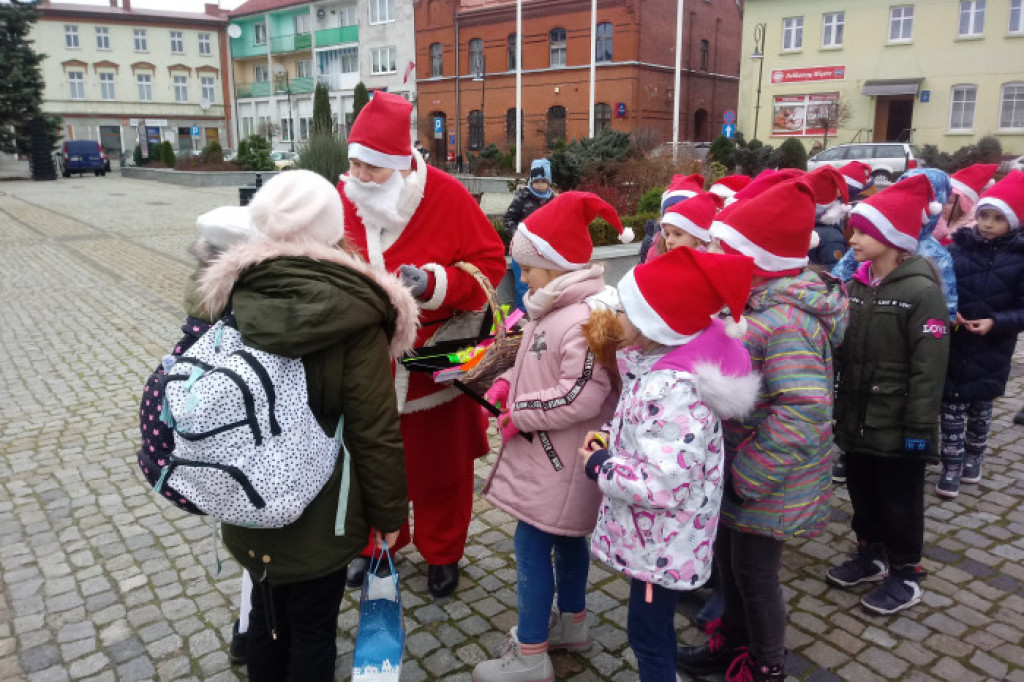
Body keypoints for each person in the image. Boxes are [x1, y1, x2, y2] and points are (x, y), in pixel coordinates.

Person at [198, 169, 416, 681]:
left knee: (264, 618)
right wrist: (389, 514)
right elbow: (373, 429)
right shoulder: (356, 312)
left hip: (249, 501)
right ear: (333, 231)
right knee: (313, 631)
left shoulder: (237, 295)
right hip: (325, 514)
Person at [335, 92, 508, 599]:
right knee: (367, 463)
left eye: (370, 167)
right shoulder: (343, 196)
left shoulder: (446, 195)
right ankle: (374, 545)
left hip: (434, 363)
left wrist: (435, 284)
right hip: (365, 365)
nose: (358, 176)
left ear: (398, 164)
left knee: (441, 471)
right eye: (353, 164)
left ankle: (443, 552)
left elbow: (490, 264)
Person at [677, 177, 849, 681]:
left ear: (754, 262)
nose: (712, 255)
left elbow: (803, 410)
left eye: (723, 249)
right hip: (740, 470)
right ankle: (731, 643)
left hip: (766, 480)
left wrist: (749, 474)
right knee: (730, 564)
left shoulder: (786, 322)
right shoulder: (752, 306)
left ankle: (766, 664)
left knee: (755, 576)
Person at [581, 245, 758, 682]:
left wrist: (601, 465)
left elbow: (662, 483)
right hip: (655, 539)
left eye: (624, 310)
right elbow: (646, 434)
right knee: (649, 629)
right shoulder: (655, 368)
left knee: (647, 636)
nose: (615, 316)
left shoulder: (673, 390)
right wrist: (609, 437)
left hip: (660, 544)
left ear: (653, 322)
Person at [472, 192, 625, 682]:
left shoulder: (579, 318)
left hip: (559, 461)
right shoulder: (553, 309)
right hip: (554, 457)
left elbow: (581, 393)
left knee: (532, 546)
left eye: (527, 268)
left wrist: (519, 412)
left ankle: (532, 655)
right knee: (566, 539)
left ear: (556, 267)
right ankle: (572, 624)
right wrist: (505, 382)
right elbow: (538, 368)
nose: (521, 278)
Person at [826, 174, 949, 616]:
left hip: (899, 425)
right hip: (858, 419)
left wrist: (919, 428)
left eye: (863, 232)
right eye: (853, 230)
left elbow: (929, 368)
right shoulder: (857, 286)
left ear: (893, 239)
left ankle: (906, 573)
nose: (852, 239)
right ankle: (871, 554)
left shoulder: (921, 292)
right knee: (862, 493)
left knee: (900, 503)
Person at [937, 170, 1024, 497]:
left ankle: (973, 458)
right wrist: (949, 310)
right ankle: (951, 464)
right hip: (956, 342)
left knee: (980, 409)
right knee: (951, 407)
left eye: (998, 218)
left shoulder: (1019, 260)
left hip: (992, 348)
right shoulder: (958, 250)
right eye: (984, 215)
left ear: (1013, 221)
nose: (987, 224)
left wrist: (995, 322)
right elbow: (942, 286)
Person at [503, 159, 555, 312]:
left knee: (544, 285)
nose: (540, 185)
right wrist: (519, 236)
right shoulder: (522, 197)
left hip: (544, 251)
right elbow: (508, 219)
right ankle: (523, 316)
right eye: (536, 181)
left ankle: (542, 315)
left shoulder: (553, 200)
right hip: (523, 250)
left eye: (543, 181)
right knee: (523, 286)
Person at [639, 173, 707, 262]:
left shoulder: (709, 261)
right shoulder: (656, 252)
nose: (669, 241)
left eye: (678, 234)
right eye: (667, 234)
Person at [933, 164, 998, 245]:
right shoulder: (940, 219)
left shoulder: (971, 228)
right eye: (941, 200)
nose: (943, 205)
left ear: (963, 205)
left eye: (949, 202)